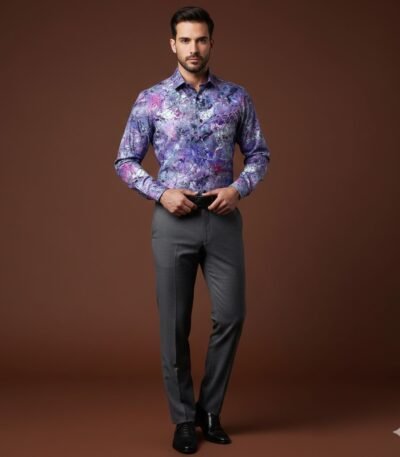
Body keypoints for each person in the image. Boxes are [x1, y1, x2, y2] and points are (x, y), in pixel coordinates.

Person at [114, 5, 271, 454]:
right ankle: (184, 419)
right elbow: (125, 160)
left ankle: (210, 410)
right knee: (174, 325)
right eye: (185, 40)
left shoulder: (237, 97)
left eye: (201, 39)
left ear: (211, 43)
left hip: (222, 219)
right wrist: (160, 192)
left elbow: (259, 153)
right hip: (173, 221)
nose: (194, 48)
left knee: (231, 315)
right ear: (173, 44)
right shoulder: (151, 99)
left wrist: (239, 188)